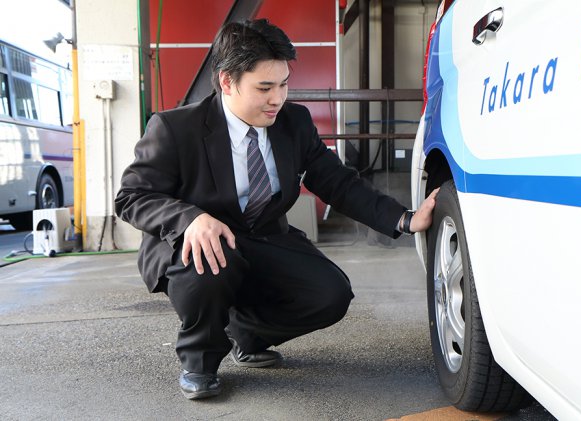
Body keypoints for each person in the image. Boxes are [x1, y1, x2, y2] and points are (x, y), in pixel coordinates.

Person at [115, 19, 439, 400]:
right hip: (196, 244)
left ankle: (245, 334)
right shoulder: (176, 129)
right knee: (213, 261)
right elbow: (131, 196)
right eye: (264, 88)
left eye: (284, 84)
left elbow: (337, 182)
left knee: (331, 294)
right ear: (227, 82)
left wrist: (403, 218)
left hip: (263, 237)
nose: (278, 99)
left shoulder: (293, 123)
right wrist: (190, 219)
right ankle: (199, 360)